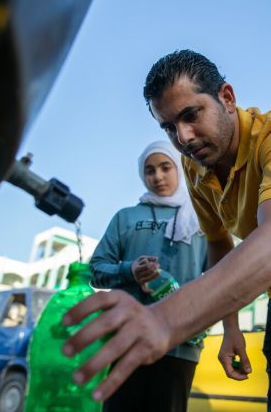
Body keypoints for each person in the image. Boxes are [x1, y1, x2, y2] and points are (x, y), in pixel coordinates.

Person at [62, 50, 271, 412]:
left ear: (227, 98)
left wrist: (163, 320)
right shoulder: (196, 165)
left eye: (191, 115)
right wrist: (230, 327)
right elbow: (218, 244)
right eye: (168, 127)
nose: (183, 137)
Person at [89, 140, 208, 412]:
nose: (158, 177)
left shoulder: (202, 217)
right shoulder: (126, 217)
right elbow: (96, 269)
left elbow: (220, 277)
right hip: (127, 341)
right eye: (150, 171)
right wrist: (129, 270)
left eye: (166, 167)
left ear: (179, 168)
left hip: (180, 344)